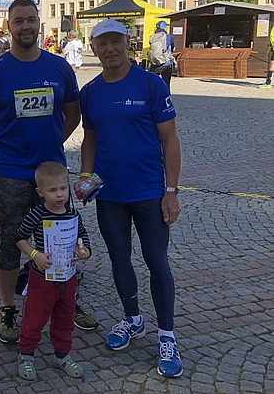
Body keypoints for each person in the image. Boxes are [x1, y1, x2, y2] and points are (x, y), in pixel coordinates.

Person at [0, 0, 96, 345]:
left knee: (62, 237)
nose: (25, 26)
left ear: (39, 24)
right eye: (18, 21)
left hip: (52, 173)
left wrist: (55, 142)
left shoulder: (59, 68)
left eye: (31, 20)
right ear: (8, 27)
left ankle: (66, 297)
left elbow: (72, 115)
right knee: (12, 240)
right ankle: (9, 307)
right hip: (8, 171)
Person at [77, 19, 183, 378]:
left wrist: (171, 192)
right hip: (110, 194)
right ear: (93, 49)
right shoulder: (89, 92)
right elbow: (89, 139)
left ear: (128, 43)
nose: (109, 50)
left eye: (115, 42)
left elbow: (170, 140)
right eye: (101, 44)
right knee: (119, 258)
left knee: (157, 261)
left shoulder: (150, 84)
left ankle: (167, 336)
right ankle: (132, 319)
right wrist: (85, 176)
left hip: (150, 192)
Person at [15, 162, 91, 381]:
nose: (60, 194)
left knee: (65, 319)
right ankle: (26, 355)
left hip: (68, 278)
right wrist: (34, 255)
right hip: (43, 280)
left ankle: (62, 354)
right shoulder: (37, 215)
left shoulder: (73, 213)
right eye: (52, 190)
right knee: (35, 319)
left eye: (63, 188)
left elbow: (82, 234)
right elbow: (19, 238)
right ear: (40, 192)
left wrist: (85, 250)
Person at [148, 21, 175, 90]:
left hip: (154, 62)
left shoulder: (152, 37)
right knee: (166, 84)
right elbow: (171, 47)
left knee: (153, 84)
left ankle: (153, 98)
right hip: (165, 63)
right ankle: (166, 99)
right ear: (165, 28)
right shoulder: (168, 37)